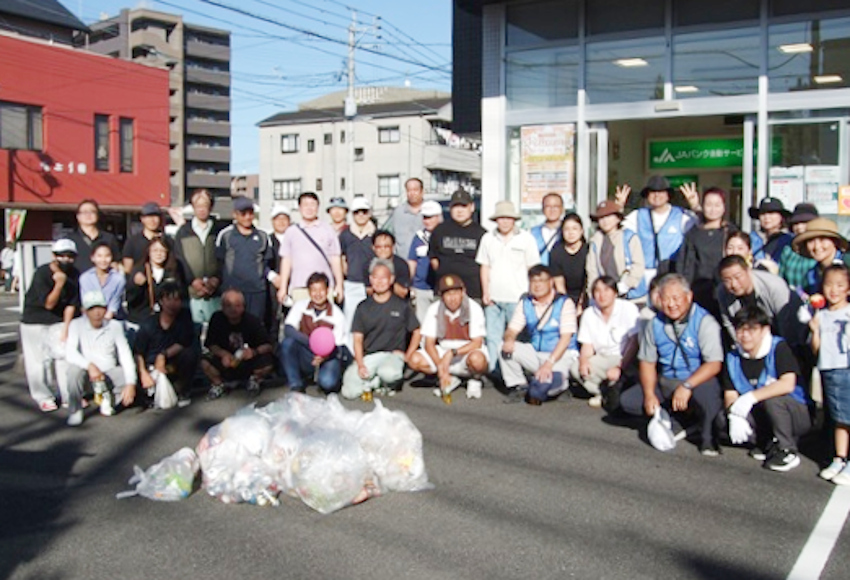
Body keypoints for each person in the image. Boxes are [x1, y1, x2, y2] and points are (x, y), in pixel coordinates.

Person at [619, 274, 724, 455]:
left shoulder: (705, 322)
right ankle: (676, 416)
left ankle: (707, 435)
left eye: (676, 298)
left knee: (708, 398)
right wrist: (649, 395)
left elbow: (714, 364)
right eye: (666, 299)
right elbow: (647, 362)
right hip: (666, 380)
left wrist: (687, 385)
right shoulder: (654, 323)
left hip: (696, 380)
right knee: (629, 401)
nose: (671, 304)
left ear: (688, 297)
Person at [720, 306, 811, 472]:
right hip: (763, 413)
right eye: (740, 329)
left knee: (772, 400)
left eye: (752, 329)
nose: (745, 335)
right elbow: (730, 393)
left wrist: (750, 397)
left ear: (764, 330)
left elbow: (788, 384)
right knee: (723, 419)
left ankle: (787, 449)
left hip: (795, 413)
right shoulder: (732, 357)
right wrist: (734, 414)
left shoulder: (778, 348)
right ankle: (766, 442)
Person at [341, 259, 421, 400]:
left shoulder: (401, 305)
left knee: (389, 373)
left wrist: (408, 355)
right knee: (349, 392)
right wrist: (360, 364)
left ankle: (383, 381)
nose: (379, 282)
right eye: (375, 277)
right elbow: (357, 339)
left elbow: (417, 331)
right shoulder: (363, 307)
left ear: (391, 279)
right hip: (370, 356)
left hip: (393, 355)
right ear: (370, 279)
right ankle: (376, 382)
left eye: (383, 278)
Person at [499, 265, 578, 405]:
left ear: (551, 282)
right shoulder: (525, 302)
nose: (537, 285)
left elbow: (566, 339)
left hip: (560, 356)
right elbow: (512, 329)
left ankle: (562, 386)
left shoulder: (565, 303)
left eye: (541, 281)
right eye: (533, 281)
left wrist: (549, 363)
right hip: (536, 352)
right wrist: (509, 339)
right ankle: (519, 385)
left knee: (540, 392)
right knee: (503, 347)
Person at [476, 200, 540, 369]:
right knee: (492, 337)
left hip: (517, 298)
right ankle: (494, 372)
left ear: (514, 220)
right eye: (501, 218)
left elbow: (532, 268)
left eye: (508, 218)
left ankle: (515, 372)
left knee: (516, 339)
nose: (504, 221)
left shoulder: (526, 239)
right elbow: (485, 266)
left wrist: (532, 294)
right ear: (496, 220)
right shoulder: (487, 238)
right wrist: (485, 292)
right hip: (493, 298)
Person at [20, 239, 80, 411]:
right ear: (54, 256)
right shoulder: (42, 273)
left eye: (70, 256)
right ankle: (44, 396)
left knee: (64, 358)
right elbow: (48, 304)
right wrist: (59, 284)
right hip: (35, 320)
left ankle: (68, 395)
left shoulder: (75, 274)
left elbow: (72, 304)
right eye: (62, 255)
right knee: (39, 362)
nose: (66, 259)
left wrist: (66, 328)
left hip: (59, 320)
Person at [408, 274, 488, 400]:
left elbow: (477, 342)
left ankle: (475, 378)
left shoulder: (474, 308)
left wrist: (452, 353)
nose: (452, 298)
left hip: (466, 350)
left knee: (477, 360)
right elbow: (429, 343)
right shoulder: (434, 309)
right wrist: (440, 366)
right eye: (448, 294)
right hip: (443, 348)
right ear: (442, 296)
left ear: (463, 292)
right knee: (415, 360)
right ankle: (450, 377)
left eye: (456, 293)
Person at [65, 290, 137, 426]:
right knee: (73, 372)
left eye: (100, 308)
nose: (97, 313)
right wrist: (90, 366)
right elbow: (70, 352)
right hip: (87, 373)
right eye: (92, 309)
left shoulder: (115, 326)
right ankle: (75, 410)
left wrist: (131, 383)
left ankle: (108, 398)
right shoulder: (76, 325)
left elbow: (125, 355)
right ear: (84, 311)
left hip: (108, 372)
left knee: (126, 376)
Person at [570, 276, 640, 408]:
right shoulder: (589, 314)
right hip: (602, 357)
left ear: (615, 293)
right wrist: (584, 361)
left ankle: (617, 390)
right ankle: (601, 393)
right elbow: (587, 345)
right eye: (597, 291)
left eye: (607, 290)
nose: (602, 295)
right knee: (576, 368)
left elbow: (634, 342)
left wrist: (620, 367)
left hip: (624, 357)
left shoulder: (628, 308)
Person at [617, 176, 697, 287]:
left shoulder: (681, 215)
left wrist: (695, 206)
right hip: (645, 274)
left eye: (661, 192)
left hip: (672, 272)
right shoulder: (638, 215)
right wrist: (619, 207)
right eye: (653, 192)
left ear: (668, 195)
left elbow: (701, 227)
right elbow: (617, 228)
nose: (657, 195)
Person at [716, 255, 808, 352]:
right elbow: (729, 323)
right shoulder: (722, 292)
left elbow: (787, 325)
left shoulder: (774, 286)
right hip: (749, 340)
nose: (733, 284)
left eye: (737, 277)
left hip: (785, 335)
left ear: (748, 271)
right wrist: (742, 347)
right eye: (727, 280)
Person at [810, 265, 850, 484]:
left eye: (840, 285)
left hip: (846, 368)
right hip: (829, 370)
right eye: (829, 285)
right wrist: (814, 330)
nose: (834, 290)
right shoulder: (822, 315)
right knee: (838, 418)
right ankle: (839, 458)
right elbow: (816, 350)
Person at [279, 272, 348, 394]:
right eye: (314, 290)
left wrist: (324, 356)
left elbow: (339, 346)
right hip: (306, 352)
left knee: (327, 382)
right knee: (287, 343)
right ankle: (295, 384)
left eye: (321, 290)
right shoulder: (300, 306)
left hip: (328, 357)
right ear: (309, 292)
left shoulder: (337, 315)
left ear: (327, 290)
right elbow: (288, 329)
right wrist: (311, 343)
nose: (318, 294)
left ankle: (327, 378)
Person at [134, 281, 199, 408]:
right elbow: (138, 352)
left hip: (172, 364)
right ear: (161, 301)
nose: (172, 303)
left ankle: (182, 391)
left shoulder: (184, 317)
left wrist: (163, 355)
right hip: (151, 367)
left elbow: (184, 341)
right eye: (168, 299)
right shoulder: (149, 324)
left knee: (189, 354)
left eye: (176, 299)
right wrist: (143, 373)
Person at [203, 288, 276, 399]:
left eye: (237, 305)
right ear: (222, 307)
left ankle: (255, 380)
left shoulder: (252, 321)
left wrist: (254, 352)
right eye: (228, 305)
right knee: (204, 361)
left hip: (247, 361)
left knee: (269, 360)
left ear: (243, 306)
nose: (233, 309)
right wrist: (223, 354)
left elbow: (268, 345)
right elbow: (210, 344)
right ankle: (218, 384)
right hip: (225, 361)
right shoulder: (216, 319)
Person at [677, 186, 736, 318]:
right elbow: (685, 264)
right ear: (702, 206)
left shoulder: (730, 232)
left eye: (717, 205)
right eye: (709, 205)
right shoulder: (693, 234)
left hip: (725, 291)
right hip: (698, 292)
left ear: (724, 207)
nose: (713, 209)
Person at [216, 196, 276, 323]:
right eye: (243, 214)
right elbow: (219, 263)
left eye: (250, 213)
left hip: (257, 291)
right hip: (233, 291)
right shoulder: (225, 235)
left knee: (255, 326)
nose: (247, 217)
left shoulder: (263, 236)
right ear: (235, 214)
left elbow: (266, 263)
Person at [277, 192, 344, 305]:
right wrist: (283, 287)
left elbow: (335, 259)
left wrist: (339, 285)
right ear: (299, 208)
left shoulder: (328, 229)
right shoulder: (291, 231)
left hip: (325, 287)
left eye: (312, 204)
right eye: (305, 205)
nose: (309, 208)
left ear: (318, 207)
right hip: (299, 287)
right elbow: (286, 261)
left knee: (326, 316)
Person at [173, 189, 226, 326]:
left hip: (215, 292)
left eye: (205, 205)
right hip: (191, 293)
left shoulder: (220, 230)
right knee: (193, 331)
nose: (201, 209)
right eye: (198, 206)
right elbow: (179, 259)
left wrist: (216, 279)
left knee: (216, 329)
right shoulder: (183, 232)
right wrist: (192, 280)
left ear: (211, 207)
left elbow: (225, 259)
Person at [428, 188, 486, 301]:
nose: (459, 211)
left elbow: (485, 264)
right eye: (456, 206)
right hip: (444, 291)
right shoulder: (439, 231)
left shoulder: (481, 234)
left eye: (463, 206)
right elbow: (433, 258)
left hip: (473, 293)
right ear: (450, 208)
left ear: (472, 207)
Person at [586, 200, 646, 303]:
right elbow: (592, 270)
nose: (605, 221)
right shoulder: (595, 241)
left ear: (618, 218)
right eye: (601, 218)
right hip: (606, 298)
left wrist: (625, 285)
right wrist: (593, 294)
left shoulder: (629, 237)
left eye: (608, 216)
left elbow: (638, 265)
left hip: (632, 296)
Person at [126, 237, 187, 326]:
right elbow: (130, 299)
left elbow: (180, 293)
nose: (158, 254)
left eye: (162, 251)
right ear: (149, 252)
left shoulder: (173, 271)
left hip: (166, 321)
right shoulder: (139, 270)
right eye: (155, 250)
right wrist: (136, 286)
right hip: (141, 319)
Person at [339, 196, 376, 332]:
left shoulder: (376, 234)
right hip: (352, 283)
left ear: (369, 213)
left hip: (373, 285)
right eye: (357, 212)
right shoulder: (345, 235)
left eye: (364, 211)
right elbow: (341, 256)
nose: (360, 215)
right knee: (350, 321)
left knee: (371, 321)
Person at [791, 217, 850, 296]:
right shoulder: (812, 275)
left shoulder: (847, 263)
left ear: (835, 242)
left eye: (822, 240)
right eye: (811, 241)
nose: (817, 247)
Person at [408, 200, 443, 323]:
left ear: (439, 217)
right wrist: (410, 283)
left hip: (440, 288)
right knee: (422, 322)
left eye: (430, 217)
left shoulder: (445, 236)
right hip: (421, 287)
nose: (427, 221)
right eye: (425, 217)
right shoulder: (418, 237)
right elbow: (412, 262)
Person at [65, 199, 121, 273]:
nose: (88, 215)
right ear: (78, 216)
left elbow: (116, 261)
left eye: (92, 211)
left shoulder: (109, 238)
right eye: (85, 212)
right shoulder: (69, 239)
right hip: (76, 278)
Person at [549, 212, 589, 310]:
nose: (571, 233)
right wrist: (568, 307)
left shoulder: (588, 250)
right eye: (567, 229)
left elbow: (589, 281)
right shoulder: (556, 252)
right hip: (564, 296)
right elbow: (559, 285)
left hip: (586, 294)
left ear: (581, 231)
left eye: (575, 229)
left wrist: (581, 305)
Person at [78, 241, 125, 320]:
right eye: (99, 256)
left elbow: (114, 304)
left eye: (107, 256)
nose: (103, 260)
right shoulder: (85, 278)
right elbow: (86, 303)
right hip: (90, 319)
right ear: (93, 258)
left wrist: (105, 320)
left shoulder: (118, 279)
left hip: (113, 319)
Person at [779, 203, 818, 291]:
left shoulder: (821, 248)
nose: (799, 227)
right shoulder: (788, 250)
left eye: (804, 222)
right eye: (796, 223)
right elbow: (780, 277)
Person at [748, 197, 792, 272]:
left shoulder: (789, 240)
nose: (767, 217)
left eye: (771, 213)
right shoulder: (751, 238)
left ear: (781, 217)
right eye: (763, 213)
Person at [386, 177, 425, 260]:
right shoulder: (398, 212)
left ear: (422, 192)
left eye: (415, 190)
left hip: (424, 262)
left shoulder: (430, 211)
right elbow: (390, 236)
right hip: (402, 261)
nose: (412, 193)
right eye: (409, 190)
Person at [122, 202, 167, 272]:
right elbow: (128, 269)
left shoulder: (167, 241)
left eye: (155, 216)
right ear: (142, 219)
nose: (152, 220)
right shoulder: (132, 242)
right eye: (149, 216)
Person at [366, 230, 410, 299]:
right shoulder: (368, 265)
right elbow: (368, 290)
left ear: (393, 247)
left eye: (386, 246)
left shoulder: (401, 265)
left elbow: (403, 292)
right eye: (379, 247)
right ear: (373, 248)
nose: (383, 249)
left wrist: (387, 281)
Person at [530, 193, 564, 266]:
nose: (552, 210)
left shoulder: (567, 231)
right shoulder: (533, 232)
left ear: (562, 209)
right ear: (542, 209)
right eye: (548, 206)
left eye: (556, 206)